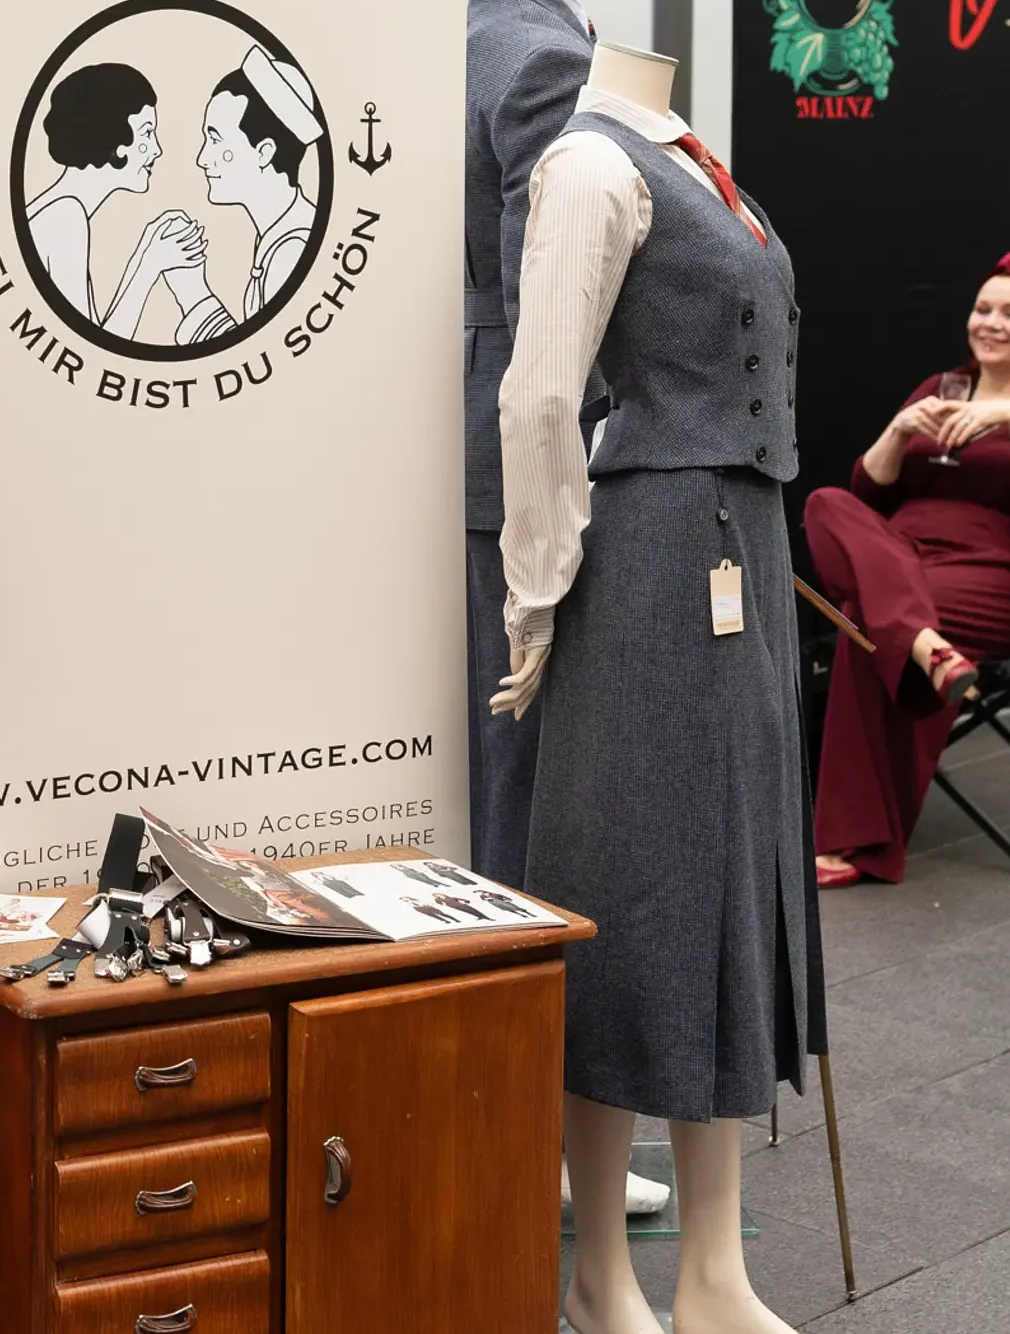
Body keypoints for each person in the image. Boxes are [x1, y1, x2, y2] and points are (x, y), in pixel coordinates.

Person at [805, 254, 1010, 887]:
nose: (992, 323)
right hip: (900, 553)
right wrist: (899, 431)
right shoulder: (941, 386)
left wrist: (1008, 416)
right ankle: (926, 645)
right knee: (826, 503)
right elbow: (866, 494)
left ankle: (857, 841)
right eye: (983, 309)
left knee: (866, 622)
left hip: (991, 568)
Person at [462, 0, 595, 891]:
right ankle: (519, 957)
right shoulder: (540, 57)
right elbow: (548, 306)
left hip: (458, 423)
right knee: (525, 752)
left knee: (481, 746)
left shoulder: (463, 39)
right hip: (526, 443)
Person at [25, 62, 205, 338]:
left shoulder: (61, 211)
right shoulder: (65, 216)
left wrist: (146, 252)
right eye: (147, 132)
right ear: (112, 135)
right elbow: (89, 349)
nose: (157, 149)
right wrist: (148, 264)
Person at [166, 46, 322, 344]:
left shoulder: (292, 251)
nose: (202, 158)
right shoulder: (278, 236)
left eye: (215, 140)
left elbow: (273, 356)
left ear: (264, 153)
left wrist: (192, 293)